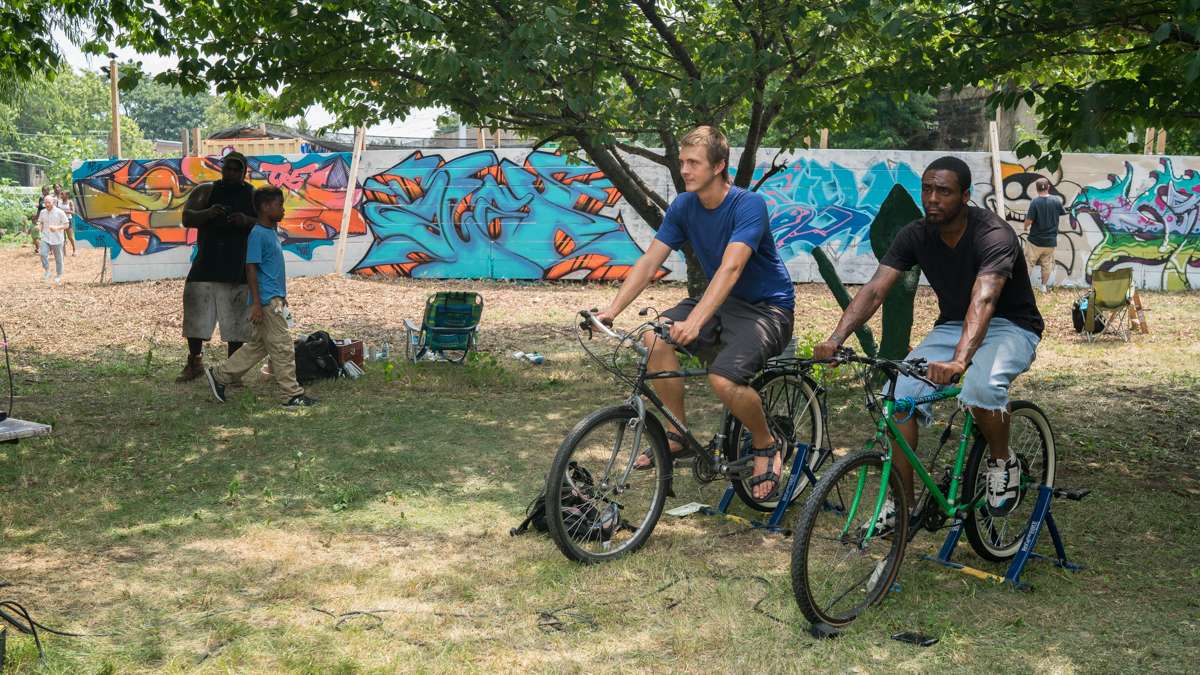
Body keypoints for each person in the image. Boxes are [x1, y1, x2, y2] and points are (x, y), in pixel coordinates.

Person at [813, 156, 1043, 518]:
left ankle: (1002, 461)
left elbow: (984, 299)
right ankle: (902, 506)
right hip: (953, 325)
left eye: (944, 191)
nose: (932, 198)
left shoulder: (993, 234)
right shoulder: (916, 234)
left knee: (981, 389)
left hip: (1011, 325)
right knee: (898, 398)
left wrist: (959, 361)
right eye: (927, 189)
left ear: (965, 196)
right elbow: (875, 289)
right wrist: (836, 338)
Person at [594, 126, 795, 500]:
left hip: (767, 308)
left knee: (724, 380)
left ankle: (767, 444)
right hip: (722, 303)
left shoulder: (748, 205)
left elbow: (731, 269)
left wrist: (696, 321)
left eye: (693, 163)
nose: (684, 169)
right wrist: (612, 309)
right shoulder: (685, 206)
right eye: (682, 161)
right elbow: (651, 259)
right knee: (653, 335)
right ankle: (678, 433)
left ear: (719, 166)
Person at [204, 186, 318, 407]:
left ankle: (219, 376)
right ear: (265, 207)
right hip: (265, 302)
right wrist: (257, 303)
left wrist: (281, 296)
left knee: (259, 346)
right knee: (283, 346)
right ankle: (291, 394)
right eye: (279, 205)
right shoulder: (257, 234)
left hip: (273, 299)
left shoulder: (271, 231)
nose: (283, 210)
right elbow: (251, 269)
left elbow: (271, 270)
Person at [176, 152, 256, 383]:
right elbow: (187, 217)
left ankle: (232, 370)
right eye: (227, 168)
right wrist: (208, 213)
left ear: (244, 172)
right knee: (195, 317)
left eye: (235, 169)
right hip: (206, 264)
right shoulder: (206, 190)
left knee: (237, 322)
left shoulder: (252, 195)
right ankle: (194, 362)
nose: (230, 172)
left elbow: (266, 221)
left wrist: (245, 220)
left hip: (238, 266)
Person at [1022, 178, 1066, 292]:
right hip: (1050, 241)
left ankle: (1024, 288)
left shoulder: (1035, 202)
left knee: (1028, 263)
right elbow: (1062, 212)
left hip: (1035, 241)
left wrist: (1025, 227)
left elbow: (1029, 220)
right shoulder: (1056, 200)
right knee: (1046, 264)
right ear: (1048, 187)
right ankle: (1043, 287)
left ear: (1037, 189)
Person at [36, 195, 69, 283]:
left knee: (58, 258)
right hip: (45, 237)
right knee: (42, 254)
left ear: (53, 202)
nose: (46, 204)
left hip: (57, 238)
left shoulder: (60, 212)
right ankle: (47, 271)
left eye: (48, 202)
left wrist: (57, 228)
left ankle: (58, 275)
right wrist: (39, 226)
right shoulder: (42, 212)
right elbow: (40, 221)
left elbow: (67, 225)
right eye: (45, 202)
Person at [57, 188, 77, 256]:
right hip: (60, 221)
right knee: (62, 237)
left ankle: (74, 250)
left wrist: (63, 211)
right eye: (61, 194)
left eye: (63, 194)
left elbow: (73, 212)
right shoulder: (59, 202)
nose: (61, 195)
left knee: (70, 237)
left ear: (67, 196)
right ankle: (63, 252)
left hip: (68, 220)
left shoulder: (70, 202)